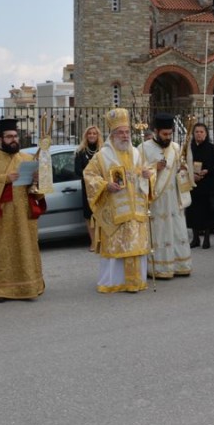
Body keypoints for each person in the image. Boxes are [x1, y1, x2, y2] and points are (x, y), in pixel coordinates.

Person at [0, 118, 46, 301]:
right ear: (0, 139)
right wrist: (6, 178)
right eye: (9, 137)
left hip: (24, 213)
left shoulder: (27, 159)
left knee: (26, 248)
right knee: (2, 250)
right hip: (2, 215)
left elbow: (37, 190)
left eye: (15, 136)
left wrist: (36, 180)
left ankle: (30, 286)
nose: (14, 139)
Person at [83, 108, 153, 293]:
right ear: (113, 135)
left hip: (136, 211)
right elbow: (88, 175)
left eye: (127, 132)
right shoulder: (102, 156)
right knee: (117, 248)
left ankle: (135, 282)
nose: (125, 136)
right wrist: (105, 185)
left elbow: (145, 174)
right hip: (115, 211)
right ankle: (114, 282)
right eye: (120, 132)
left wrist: (147, 175)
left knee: (135, 246)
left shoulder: (137, 154)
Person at [138, 113, 193, 279]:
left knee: (176, 230)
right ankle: (160, 268)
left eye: (170, 134)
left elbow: (181, 168)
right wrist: (156, 168)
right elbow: (139, 172)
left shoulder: (175, 148)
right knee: (160, 231)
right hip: (156, 199)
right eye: (164, 134)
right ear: (156, 131)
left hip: (174, 198)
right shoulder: (143, 148)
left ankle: (180, 264)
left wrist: (184, 170)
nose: (168, 137)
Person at [186, 123, 214, 250]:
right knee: (193, 212)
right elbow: (182, 164)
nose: (199, 134)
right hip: (193, 185)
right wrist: (191, 174)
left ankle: (206, 238)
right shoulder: (189, 148)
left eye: (202, 132)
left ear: (206, 134)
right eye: (197, 132)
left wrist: (207, 171)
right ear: (193, 134)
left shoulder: (212, 149)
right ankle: (195, 238)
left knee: (207, 212)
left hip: (207, 185)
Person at [75, 125, 103, 250]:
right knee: (89, 214)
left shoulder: (103, 151)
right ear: (86, 136)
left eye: (94, 133)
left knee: (101, 213)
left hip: (101, 187)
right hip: (87, 188)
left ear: (98, 136)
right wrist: (90, 178)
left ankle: (103, 241)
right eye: (89, 133)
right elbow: (77, 171)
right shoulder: (80, 152)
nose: (92, 135)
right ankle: (93, 242)